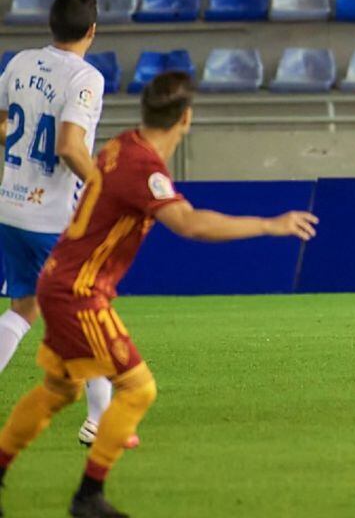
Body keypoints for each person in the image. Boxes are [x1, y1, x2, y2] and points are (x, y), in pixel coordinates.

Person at [0, 72, 318, 518]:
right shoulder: (143, 168)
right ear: (186, 119)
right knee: (138, 389)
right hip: (79, 291)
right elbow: (189, 224)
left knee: (59, 390)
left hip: (61, 278)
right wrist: (269, 225)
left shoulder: (119, 146)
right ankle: (88, 496)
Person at [0, 0, 118, 447]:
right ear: (92, 30)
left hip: (8, 205)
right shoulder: (85, 77)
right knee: (89, 307)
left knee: (23, 308)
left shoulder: (19, 63)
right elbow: (70, 146)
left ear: (51, 25)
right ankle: (101, 417)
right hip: (50, 215)